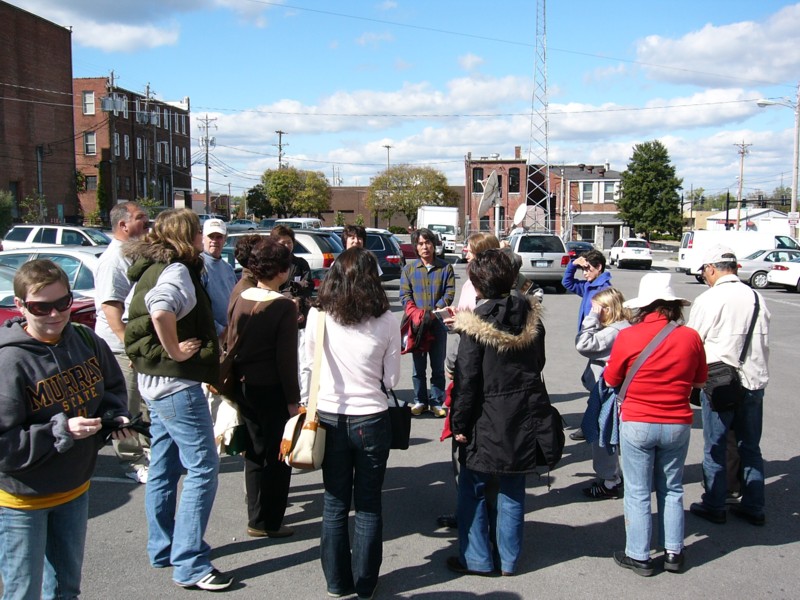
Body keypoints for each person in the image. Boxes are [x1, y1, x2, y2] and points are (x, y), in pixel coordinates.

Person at [0, 259, 131, 599]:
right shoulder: (8, 361)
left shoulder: (84, 339)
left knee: (65, 589)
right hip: (22, 501)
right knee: (22, 592)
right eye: (41, 307)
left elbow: (113, 389)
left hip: (74, 490)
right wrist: (61, 430)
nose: (55, 315)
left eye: (63, 303)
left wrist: (112, 417)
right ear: (20, 306)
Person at [124, 208, 233, 591]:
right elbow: (161, 308)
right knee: (203, 467)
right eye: (198, 232)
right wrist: (176, 350)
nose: (205, 238)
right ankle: (190, 563)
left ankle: (164, 547)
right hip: (175, 384)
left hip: (154, 381)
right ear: (186, 236)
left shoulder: (149, 267)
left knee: (165, 464)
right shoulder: (177, 270)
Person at [449, 249, 558, 577]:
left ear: (479, 284)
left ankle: (478, 559)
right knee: (512, 487)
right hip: (524, 412)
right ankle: (509, 560)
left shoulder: (475, 322)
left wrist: (459, 423)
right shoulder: (529, 315)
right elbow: (538, 363)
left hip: (486, 414)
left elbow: (467, 380)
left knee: (474, 487)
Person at [307, 247, 401, 600]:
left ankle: (336, 582)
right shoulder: (388, 320)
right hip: (372, 418)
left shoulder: (319, 317)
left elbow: (308, 369)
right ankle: (365, 583)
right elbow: (391, 380)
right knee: (367, 504)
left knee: (333, 503)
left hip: (329, 416)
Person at [604, 273, 707, 576]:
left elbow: (611, 379)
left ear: (644, 307)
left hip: (637, 419)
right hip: (677, 420)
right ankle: (674, 553)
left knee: (637, 490)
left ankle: (639, 555)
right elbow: (700, 380)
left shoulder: (629, 335)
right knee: (672, 488)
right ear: (673, 305)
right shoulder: (690, 336)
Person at [687, 245, 770, 527]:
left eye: (704, 272)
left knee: (716, 445)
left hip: (720, 382)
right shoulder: (757, 297)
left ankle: (714, 503)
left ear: (711, 268)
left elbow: (693, 343)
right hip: (754, 380)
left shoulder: (710, 299)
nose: (704, 277)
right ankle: (754, 505)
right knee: (750, 447)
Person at [224, 237, 300, 539]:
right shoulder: (282, 305)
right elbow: (286, 360)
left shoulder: (242, 295)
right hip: (272, 387)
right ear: (281, 270)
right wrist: (294, 401)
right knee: (278, 455)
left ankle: (255, 517)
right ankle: (271, 521)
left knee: (254, 451)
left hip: (244, 384)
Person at [438, 232, 500, 529]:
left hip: (474, 370)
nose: (465, 252)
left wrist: (461, 325)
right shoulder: (470, 283)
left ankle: (475, 520)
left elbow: (476, 330)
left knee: (469, 445)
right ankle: (470, 510)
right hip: (465, 362)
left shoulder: (491, 289)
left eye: (471, 250)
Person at [94, 201, 151, 483]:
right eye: (141, 218)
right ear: (123, 225)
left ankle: (145, 450)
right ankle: (131, 461)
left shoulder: (133, 254)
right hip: (120, 348)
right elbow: (111, 307)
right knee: (125, 406)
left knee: (143, 404)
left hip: (136, 345)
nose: (148, 223)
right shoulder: (113, 259)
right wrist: (129, 345)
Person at [575, 287, 631, 499]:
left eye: (597, 308)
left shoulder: (613, 332)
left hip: (607, 391)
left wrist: (591, 318)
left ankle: (609, 481)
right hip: (617, 391)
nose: (594, 311)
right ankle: (615, 476)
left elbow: (583, 344)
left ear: (607, 308)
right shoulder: (626, 327)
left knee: (602, 436)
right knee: (612, 435)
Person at [400, 227, 455, 417]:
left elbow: (449, 293)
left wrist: (434, 311)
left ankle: (437, 402)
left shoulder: (445, 267)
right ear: (416, 247)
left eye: (428, 242)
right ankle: (420, 400)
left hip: (438, 324)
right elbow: (405, 295)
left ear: (433, 244)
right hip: (417, 325)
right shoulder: (409, 269)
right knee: (418, 367)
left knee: (438, 366)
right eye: (421, 244)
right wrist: (416, 313)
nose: (425, 247)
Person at [562, 248, 612, 441]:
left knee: (596, 385)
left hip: (600, 343)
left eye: (588, 269)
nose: (585, 273)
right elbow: (567, 282)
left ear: (599, 268)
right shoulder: (589, 286)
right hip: (590, 341)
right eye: (583, 270)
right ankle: (595, 423)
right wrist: (572, 266)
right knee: (593, 384)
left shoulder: (604, 290)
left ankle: (591, 425)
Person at [271, 225, 314, 404]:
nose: (287, 246)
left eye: (289, 242)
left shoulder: (301, 264)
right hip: (279, 321)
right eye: (283, 243)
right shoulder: (272, 265)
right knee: (284, 361)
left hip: (301, 320)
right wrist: (289, 299)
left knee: (304, 363)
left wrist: (300, 304)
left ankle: (303, 398)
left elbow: (308, 287)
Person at [200, 218, 236, 338]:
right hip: (211, 336)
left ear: (225, 239)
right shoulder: (199, 267)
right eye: (211, 236)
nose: (215, 241)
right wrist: (220, 331)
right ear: (203, 238)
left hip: (231, 334)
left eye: (219, 237)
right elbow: (199, 308)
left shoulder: (228, 268)